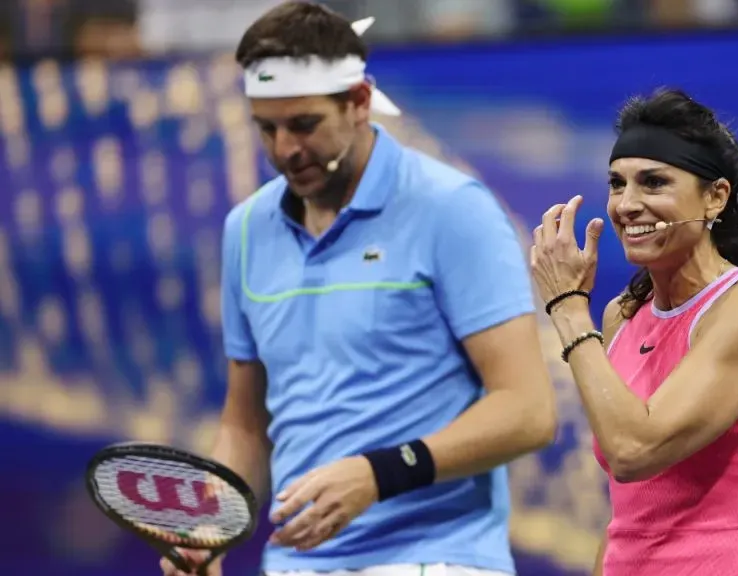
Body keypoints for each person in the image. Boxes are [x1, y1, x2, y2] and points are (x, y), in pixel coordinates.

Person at [161, 3, 557, 575]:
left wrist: (380, 473)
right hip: (295, 565)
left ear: (360, 102)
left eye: (303, 124)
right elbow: (244, 428)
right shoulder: (244, 230)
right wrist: (210, 526)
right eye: (266, 128)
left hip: (436, 559)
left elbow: (528, 410)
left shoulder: (452, 209)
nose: (284, 150)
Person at [530, 88, 738, 575]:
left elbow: (635, 451)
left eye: (653, 183)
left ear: (716, 197)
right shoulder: (621, 317)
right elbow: (627, 510)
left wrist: (568, 310)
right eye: (617, 184)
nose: (626, 204)